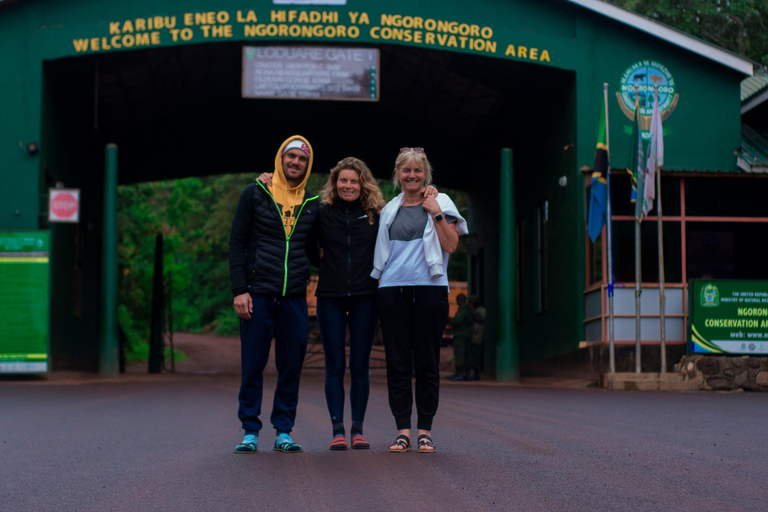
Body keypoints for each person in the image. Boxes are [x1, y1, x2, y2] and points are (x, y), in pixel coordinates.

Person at [258, 158, 437, 451]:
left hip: (367, 296)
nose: (348, 186)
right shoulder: (321, 211)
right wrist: (270, 180)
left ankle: (358, 430)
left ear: (362, 183)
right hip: (329, 296)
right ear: (335, 183)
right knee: (334, 365)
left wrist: (431, 193)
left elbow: (402, 222)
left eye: (354, 181)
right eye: (343, 181)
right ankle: (337, 430)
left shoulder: (376, 214)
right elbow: (304, 239)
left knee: (359, 365)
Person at [372, 147, 468, 453]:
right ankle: (403, 431)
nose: (411, 175)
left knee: (427, 363)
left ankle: (424, 430)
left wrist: (434, 210)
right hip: (392, 289)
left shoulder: (442, 203)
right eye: (406, 170)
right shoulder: (388, 209)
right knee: (397, 363)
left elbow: (451, 245)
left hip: (430, 288)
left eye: (417, 170)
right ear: (397, 175)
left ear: (425, 174)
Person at [228, 136, 319, 454]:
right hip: (257, 294)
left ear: (308, 165)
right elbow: (237, 242)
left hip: (294, 297)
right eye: (290, 156)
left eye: (302, 159)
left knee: (291, 366)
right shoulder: (255, 193)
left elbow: (316, 251)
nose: (295, 162)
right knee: (253, 364)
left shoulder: (312, 203)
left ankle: (284, 431)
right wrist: (240, 289)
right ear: (280, 158)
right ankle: (250, 431)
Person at [447, 293, 473, 381]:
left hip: (461, 335)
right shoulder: (468, 308)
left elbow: (458, 320)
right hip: (467, 334)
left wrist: (451, 321)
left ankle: (459, 374)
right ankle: (467, 374)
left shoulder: (463, 308)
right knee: (467, 355)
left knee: (460, 355)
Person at [468, 295, 486, 381]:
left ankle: (476, 374)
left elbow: (480, 319)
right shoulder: (471, 310)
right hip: (472, 336)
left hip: (477, 337)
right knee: (471, 357)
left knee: (476, 356)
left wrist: (472, 310)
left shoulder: (481, 310)